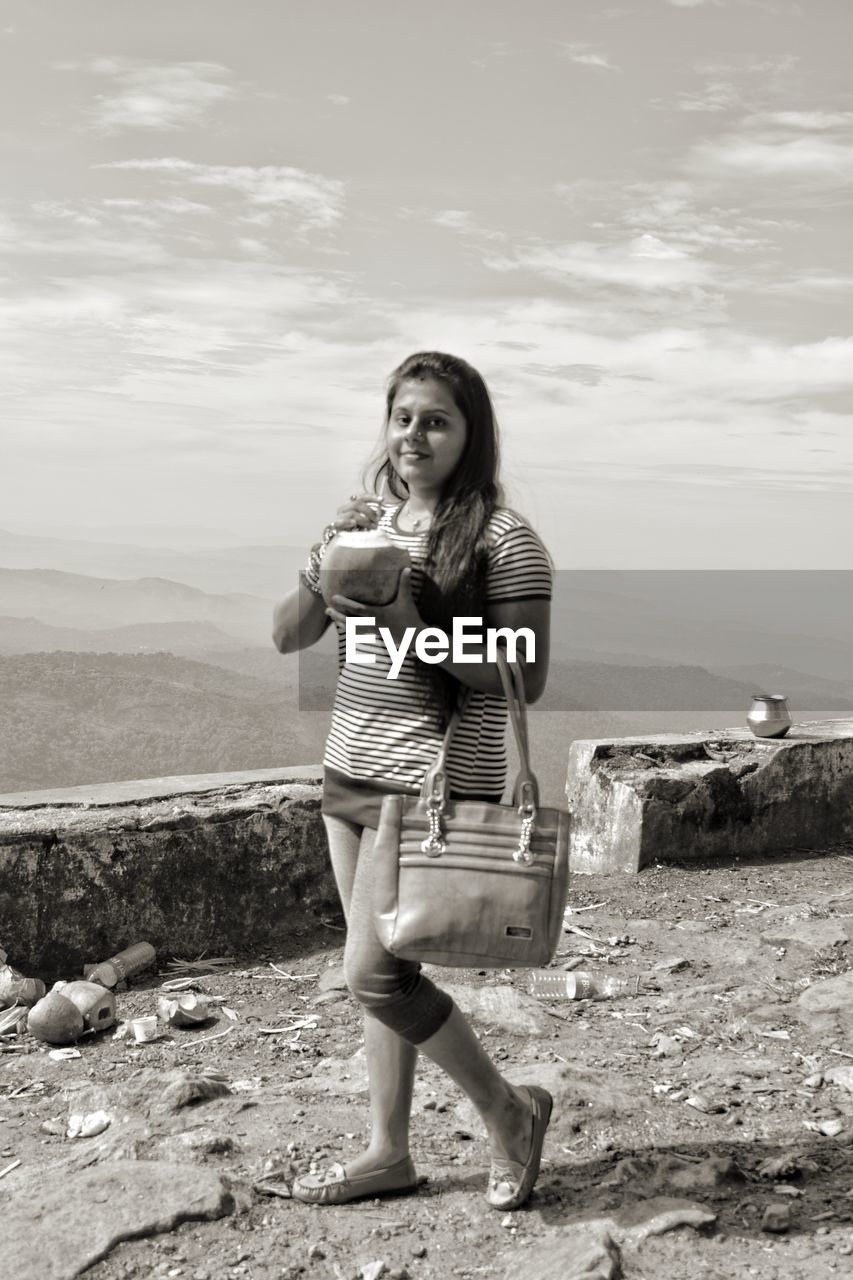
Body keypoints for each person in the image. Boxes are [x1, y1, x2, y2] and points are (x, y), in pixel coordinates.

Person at [272, 351, 553, 1210]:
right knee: (380, 974)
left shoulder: (505, 544)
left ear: (470, 435)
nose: (413, 436)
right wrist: (321, 574)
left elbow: (525, 674)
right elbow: (287, 638)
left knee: (374, 975)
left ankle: (509, 1113)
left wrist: (404, 618)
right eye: (402, 418)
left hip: (425, 789)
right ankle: (386, 1149)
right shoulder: (364, 524)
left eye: (435, 420)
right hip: (348, 772)